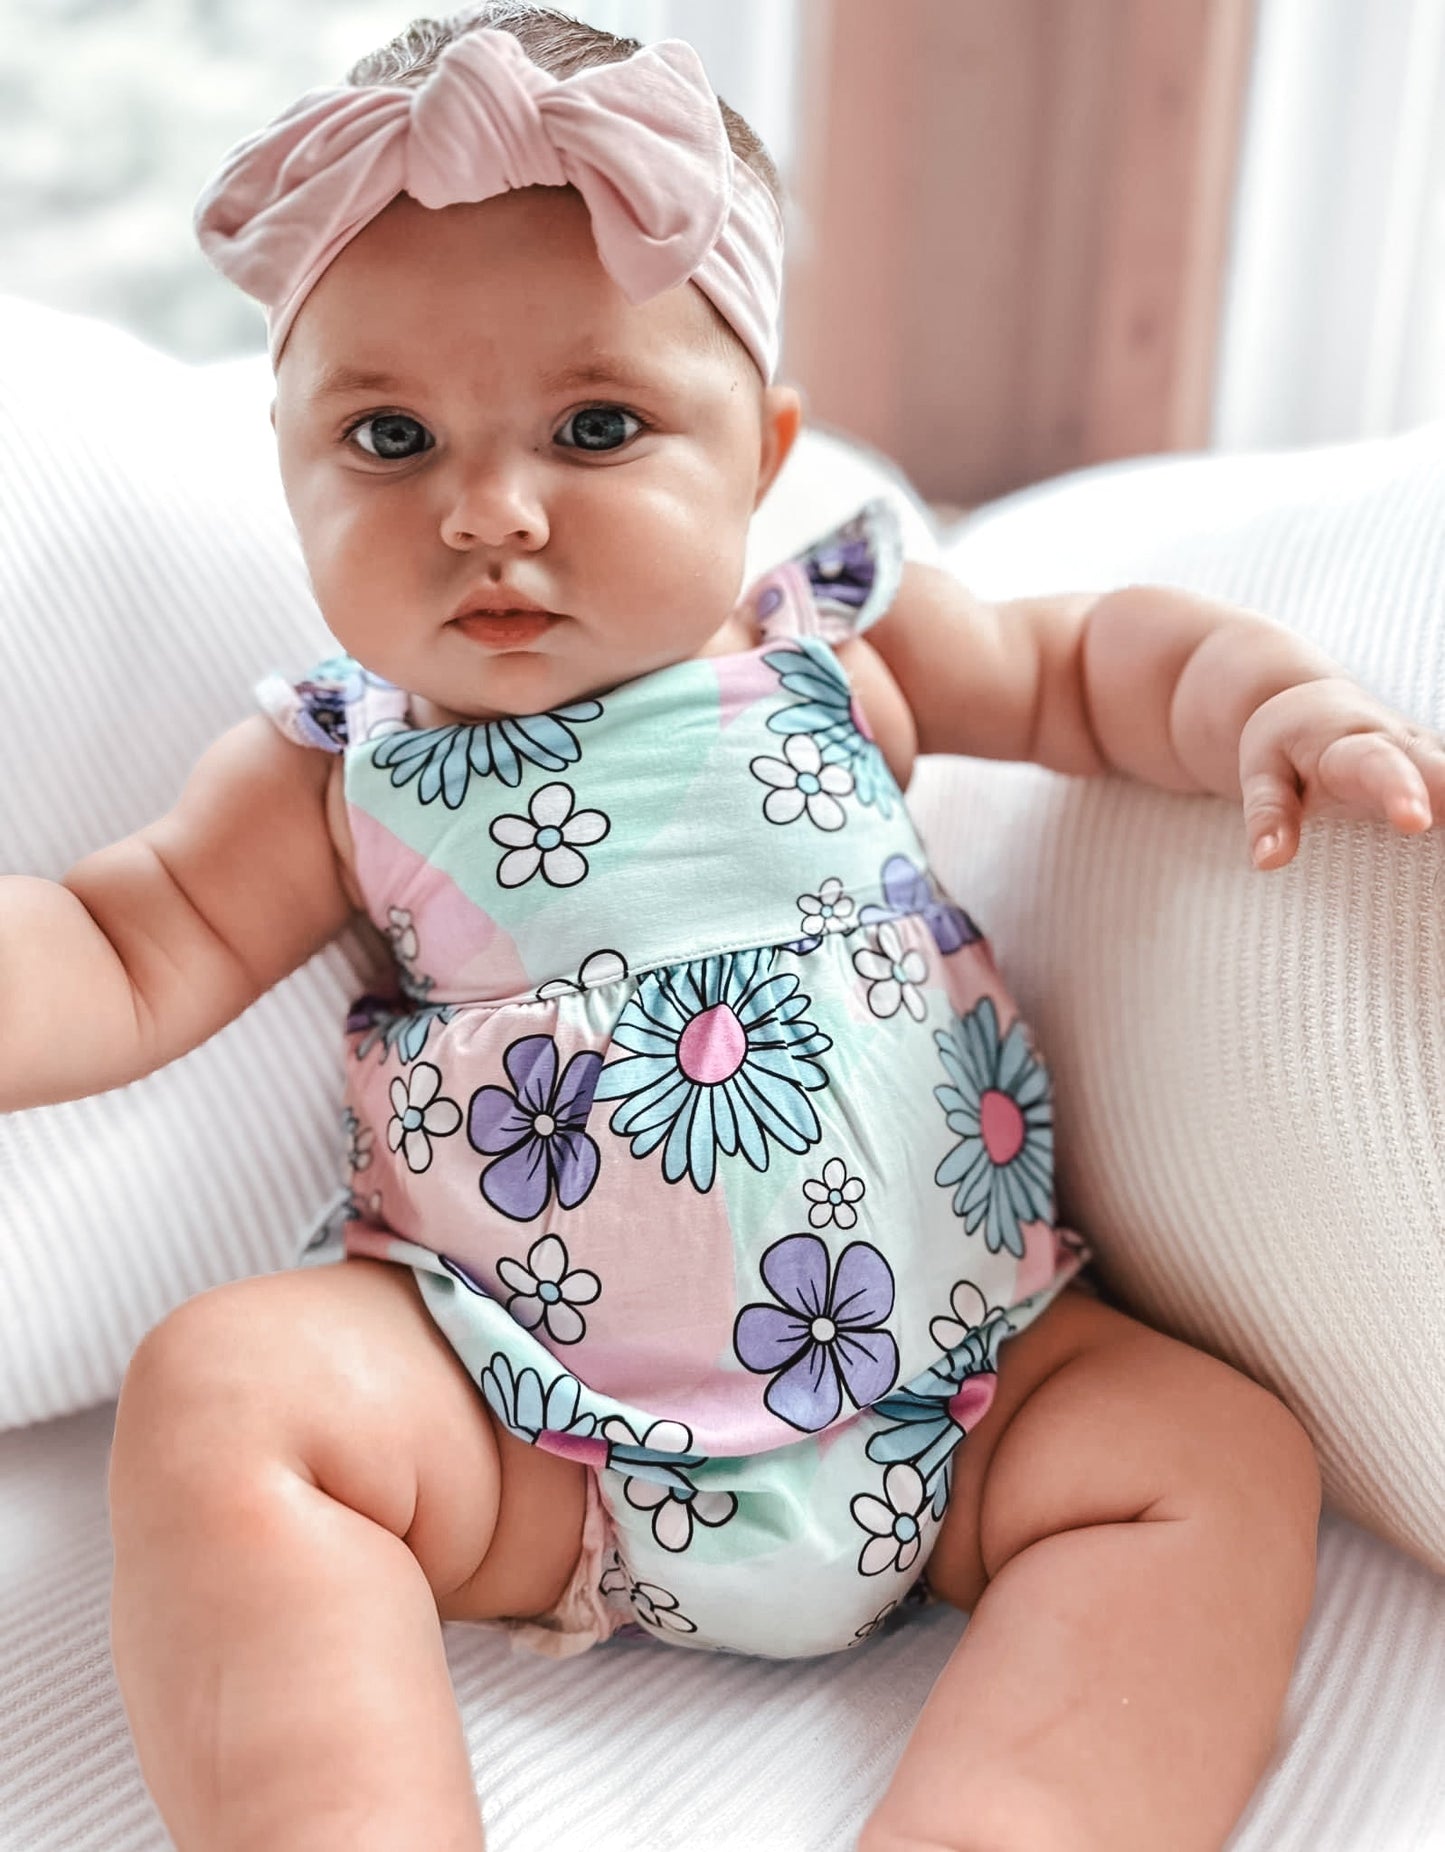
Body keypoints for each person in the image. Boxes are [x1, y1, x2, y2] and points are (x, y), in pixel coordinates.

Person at [6, 6, 1441, 1848]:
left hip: (975, 1386)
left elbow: (1089, 661)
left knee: (1214, 1457)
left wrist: (1269, 704)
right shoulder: (335, 767)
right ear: (289, 466)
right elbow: (122, 947)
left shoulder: (836, 645)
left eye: (595, 427)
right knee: (226, 1386)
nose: (488, 512)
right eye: (390, 437)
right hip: (524, 1422)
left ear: (759, 455)